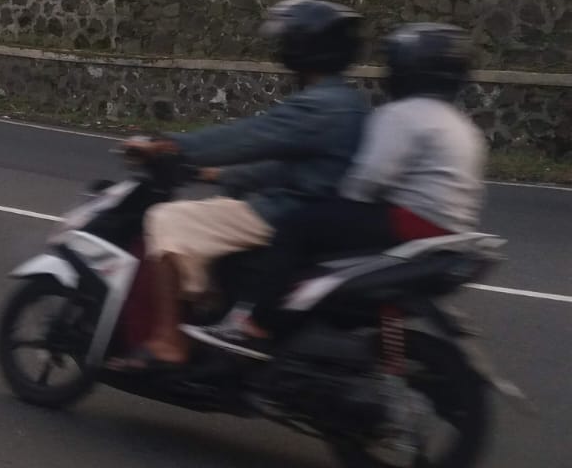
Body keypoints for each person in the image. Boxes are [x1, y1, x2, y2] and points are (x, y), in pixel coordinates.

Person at [189, 22, 487, 356]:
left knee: (296, 226)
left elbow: (371, 177)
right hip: (450, 228)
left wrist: (339, 200)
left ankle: (256, 325)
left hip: (410, 221)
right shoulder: (460, 123)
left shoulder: (402, 114)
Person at [112, 0, 369, 371]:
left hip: (285, 212)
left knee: (165, 218)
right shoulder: (348, 101)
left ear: (303, 46)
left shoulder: (320, 105)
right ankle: (211, 308)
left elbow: (247, 138)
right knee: (215, 208)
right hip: (309, 209)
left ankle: (169, 340)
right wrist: (218, 176)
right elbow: (291, 165)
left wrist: (169, 145)